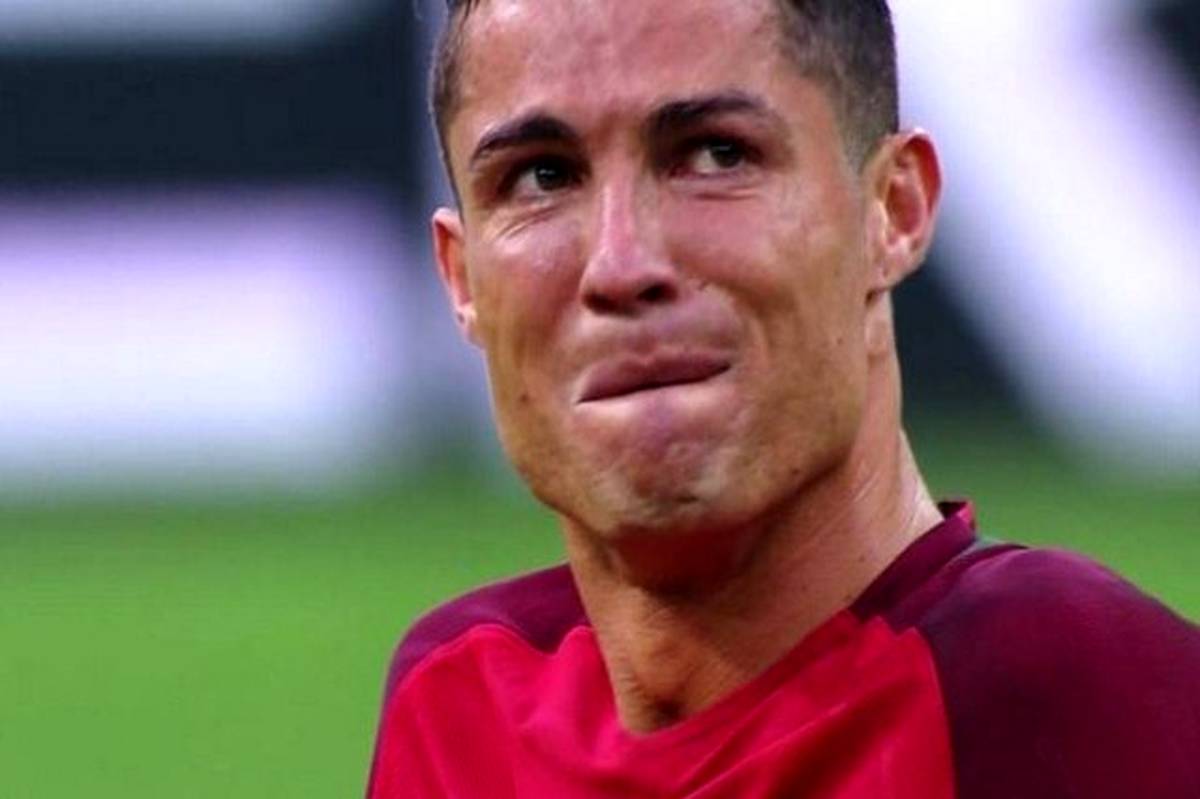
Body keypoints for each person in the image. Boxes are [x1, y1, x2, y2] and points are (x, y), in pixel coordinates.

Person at [367, 0, 1200, 796]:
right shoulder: (457, 711)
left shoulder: (1070, 694)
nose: (620, 264)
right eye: (541, 176)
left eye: (716, 155)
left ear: (894, 210)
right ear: (462, 278)